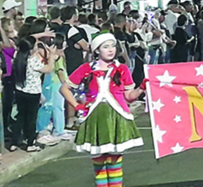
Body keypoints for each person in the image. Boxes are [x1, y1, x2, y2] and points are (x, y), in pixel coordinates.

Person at [61, 33, 144, 187]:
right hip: (95, 119)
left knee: (115, 163)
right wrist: (78, 106)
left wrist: (141, 88)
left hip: (117, 118)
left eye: (112, 46)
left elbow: (129, 96)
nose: (111, 50)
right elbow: (64, 88)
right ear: (97, 50)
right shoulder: (86, 69)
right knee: (99, 164)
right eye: (106, 47)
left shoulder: (122, 69)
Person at [11, 34, 54, 153]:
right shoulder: (33, 61)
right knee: (31, 118)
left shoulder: (17, 56)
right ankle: (30, 143)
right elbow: (48, 69)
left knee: (20, 116)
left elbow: (28, 38)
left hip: (20, 90)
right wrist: (51, 55)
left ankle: (14, 142)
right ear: (31, 49)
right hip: (33, 92)